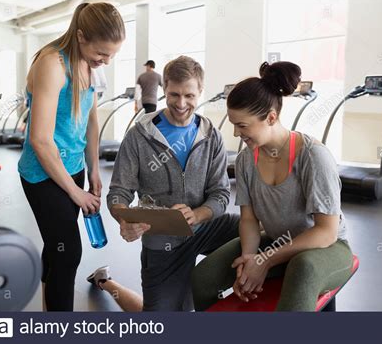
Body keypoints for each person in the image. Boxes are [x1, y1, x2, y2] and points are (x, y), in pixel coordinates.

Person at [191, 61, 354, 311]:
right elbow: (248, 220)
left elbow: (326, 232)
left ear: (271, 117)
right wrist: (249, 257)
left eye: (242, 125)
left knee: (304, 268)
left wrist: (265, 261)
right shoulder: (246, 159)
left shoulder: (313, 157)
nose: (236, 133)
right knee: (204, 278)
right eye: (234, 124)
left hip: (327, 248)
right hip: (279, 242)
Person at [88, 56, 239, 311]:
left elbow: (221, 193)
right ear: (164, 90)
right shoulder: (139, 136)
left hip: (204, 227)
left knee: (254, 232)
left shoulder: (211, 134)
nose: (181, 104)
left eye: (189, 96)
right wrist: (124, 220)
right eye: (174, 94)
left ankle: (208, 288)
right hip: (162, 239)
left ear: (200, 91)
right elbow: (119, 193)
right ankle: (105, 281)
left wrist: (198, 214)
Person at [18, 2, 125, 311]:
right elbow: (40, 139)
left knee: (56, 245)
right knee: (68, 252)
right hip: (41, 173)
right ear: (80, 36)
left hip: (74, 167)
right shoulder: (52, 63)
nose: (105, 61)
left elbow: (90, 122)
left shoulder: (92, 68)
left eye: (112, 55)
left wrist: (92, 170)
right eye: (102, 53)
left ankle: (46, 310)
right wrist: (74, 192)